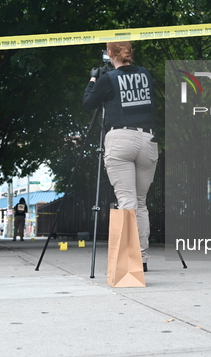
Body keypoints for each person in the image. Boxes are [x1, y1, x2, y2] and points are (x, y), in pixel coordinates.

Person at [83, 41, 158, 272]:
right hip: (148, 140)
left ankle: (129, 261)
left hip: (121, 139)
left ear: (110, 53)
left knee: (127, 201)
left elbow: (88, 104)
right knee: (141, 202)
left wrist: (94, 79)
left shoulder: (108, 78)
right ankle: (142, 258)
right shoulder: (145, 74)